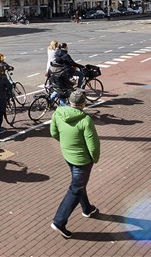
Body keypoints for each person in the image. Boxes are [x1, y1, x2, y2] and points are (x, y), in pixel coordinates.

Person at [50, 90, 101, 238]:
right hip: (82, 161)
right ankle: (59, 221)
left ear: (70, 102)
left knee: (78, 184)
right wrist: (94, 159)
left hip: (68, 156)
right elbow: (93, 145)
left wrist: (66, 145)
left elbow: (53, 133)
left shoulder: (58, 113)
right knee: (75, 188)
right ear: (83, 103)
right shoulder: (85, 120)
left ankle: (87, 208)